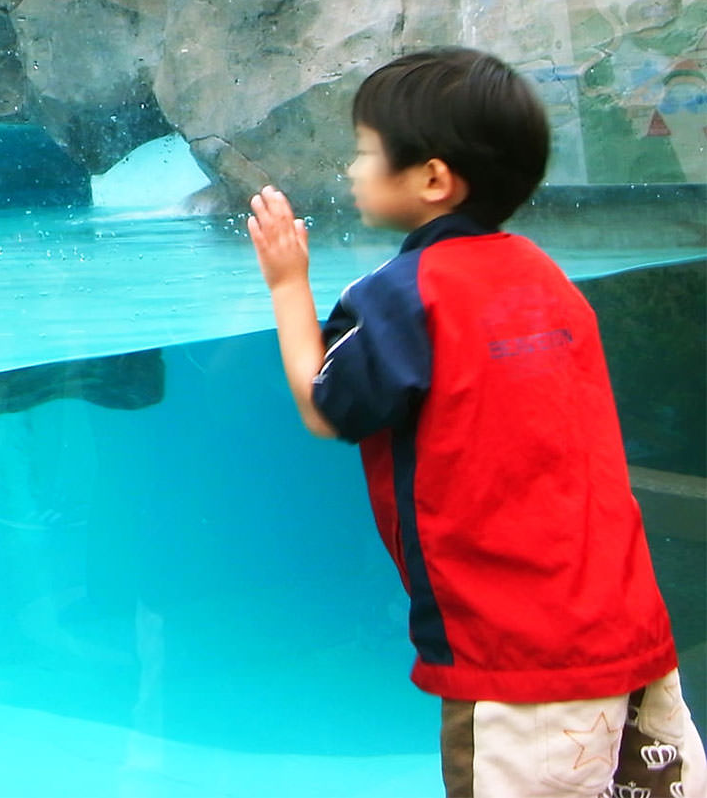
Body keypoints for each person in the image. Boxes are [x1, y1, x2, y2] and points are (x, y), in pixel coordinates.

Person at [245, 46, 704, 798]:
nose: (354, 169)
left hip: (515, 664)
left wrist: (287, 282)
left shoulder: (402, 295)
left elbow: (327, 403)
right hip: (634, 639)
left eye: (364, 152)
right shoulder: (549, 279)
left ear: (432, 178)